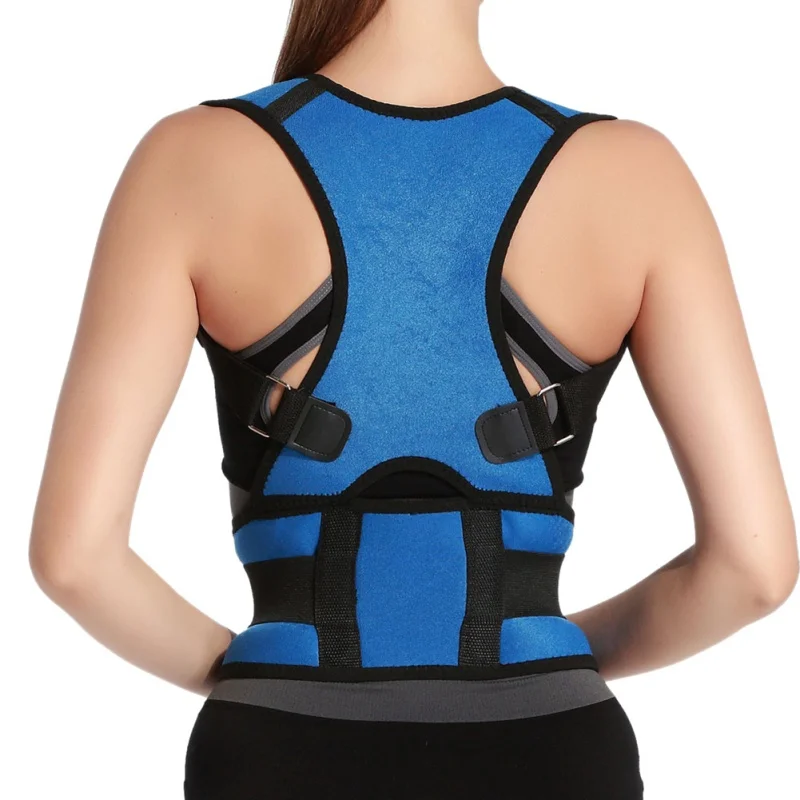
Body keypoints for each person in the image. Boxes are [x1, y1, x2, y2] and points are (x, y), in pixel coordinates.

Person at [28, 1, 797, 798]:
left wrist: (261, 671)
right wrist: (546, 652)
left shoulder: (191, 160)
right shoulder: (636, 176)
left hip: (281, 746)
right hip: (549, 749)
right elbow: (753, 567)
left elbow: (76, 559)